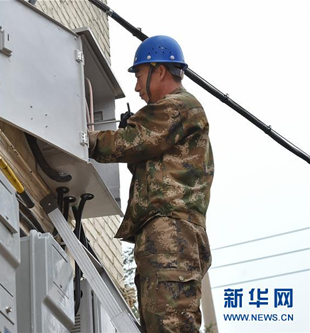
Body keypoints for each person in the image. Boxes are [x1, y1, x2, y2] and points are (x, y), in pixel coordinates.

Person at [88, 35, 214, 332]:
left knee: (168, 325)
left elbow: (131, 142)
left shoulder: (179, 106)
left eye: (140, 75)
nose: (135, 86)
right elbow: (145, 153)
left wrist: (84, 139)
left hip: (171, 232)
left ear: (159, 71)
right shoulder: (175, 115)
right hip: (167, 233)